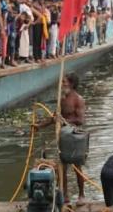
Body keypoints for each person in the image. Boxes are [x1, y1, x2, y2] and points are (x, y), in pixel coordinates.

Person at [35, 72, 87, 202]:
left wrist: (63, 121)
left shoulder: (78, 100)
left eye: (64, 82)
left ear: (71, 84)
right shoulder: (62, 99)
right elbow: (54, 117)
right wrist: (39, 126)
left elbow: (80, 120)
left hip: (74, 136)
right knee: (62, 166)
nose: (61, 85)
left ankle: (81, 195)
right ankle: (65, 195)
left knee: (77, 166)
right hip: (63, 136)